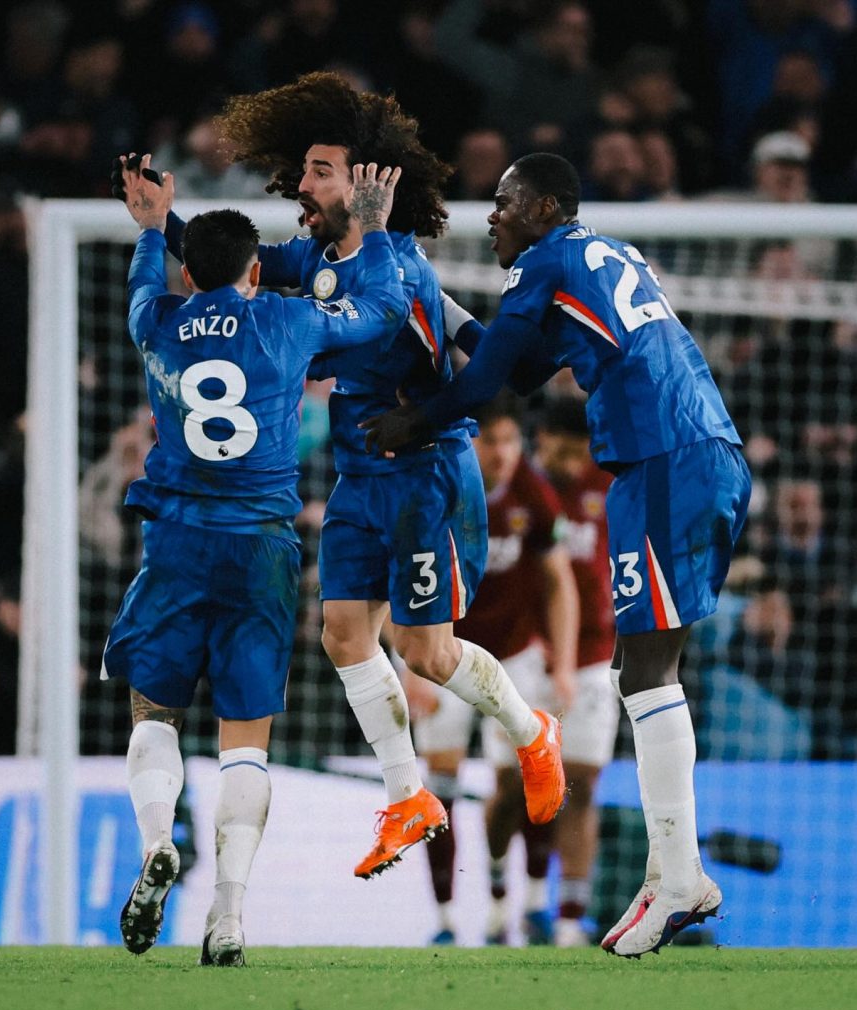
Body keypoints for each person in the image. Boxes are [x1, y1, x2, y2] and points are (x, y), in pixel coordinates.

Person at [134, 72, 566, 882]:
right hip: (359, 476)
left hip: (424, 476)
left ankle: (531, 731)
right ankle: (408, 795)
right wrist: (167, 221)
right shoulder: (317, 257)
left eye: (319, 171)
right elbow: (234, 268)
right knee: (341, 633)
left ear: (368, 182)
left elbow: (379, 327)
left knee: (426, 654)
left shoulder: (396, 268)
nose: (301, 185)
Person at [363, 152, 752, 957]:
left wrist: (414, 422)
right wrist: (438, 305)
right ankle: (670, 869)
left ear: (543, 205)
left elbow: (483, 389)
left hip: (664, 457)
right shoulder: (596, 255)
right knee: (642, 668)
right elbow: (526, 372)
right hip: (699, 450)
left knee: (646, 671)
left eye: (504, 203)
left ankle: (680, 876)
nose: (492, 217)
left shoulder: (544, 260)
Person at [109, 153, 410, 966]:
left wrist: (150, 227)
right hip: (263, 549)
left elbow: (145, 283)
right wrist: (375, 230)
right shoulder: (287, 321)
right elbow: (381, 311)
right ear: (254, 269)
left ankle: (154, 847)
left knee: (154, 714)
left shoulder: (158, 323)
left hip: (175, 540)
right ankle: (230, 917)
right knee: (246, 743)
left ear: (186, 270)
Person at [404, 392, 578, 945]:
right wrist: (409, 663)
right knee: (442, 785)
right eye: (489, 440)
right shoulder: (437, 487)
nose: (501, 452)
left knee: (528, 778)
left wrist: (566, 663)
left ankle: (524, 903)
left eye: (509, 440)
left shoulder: (534, 492)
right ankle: (446, 921)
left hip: (515, 656)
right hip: (445, 654)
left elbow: (559, 583)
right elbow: (394, 582)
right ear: (468, 440)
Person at [531, 396, 620, 947]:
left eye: (574, 452)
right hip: (526, 654)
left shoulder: (609, 487)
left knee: (582, 782)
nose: (565, 463)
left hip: (593, 655)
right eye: (555, 451)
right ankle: (523, 899)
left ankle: (569, 917)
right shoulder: (524, 492)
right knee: (526, 786)